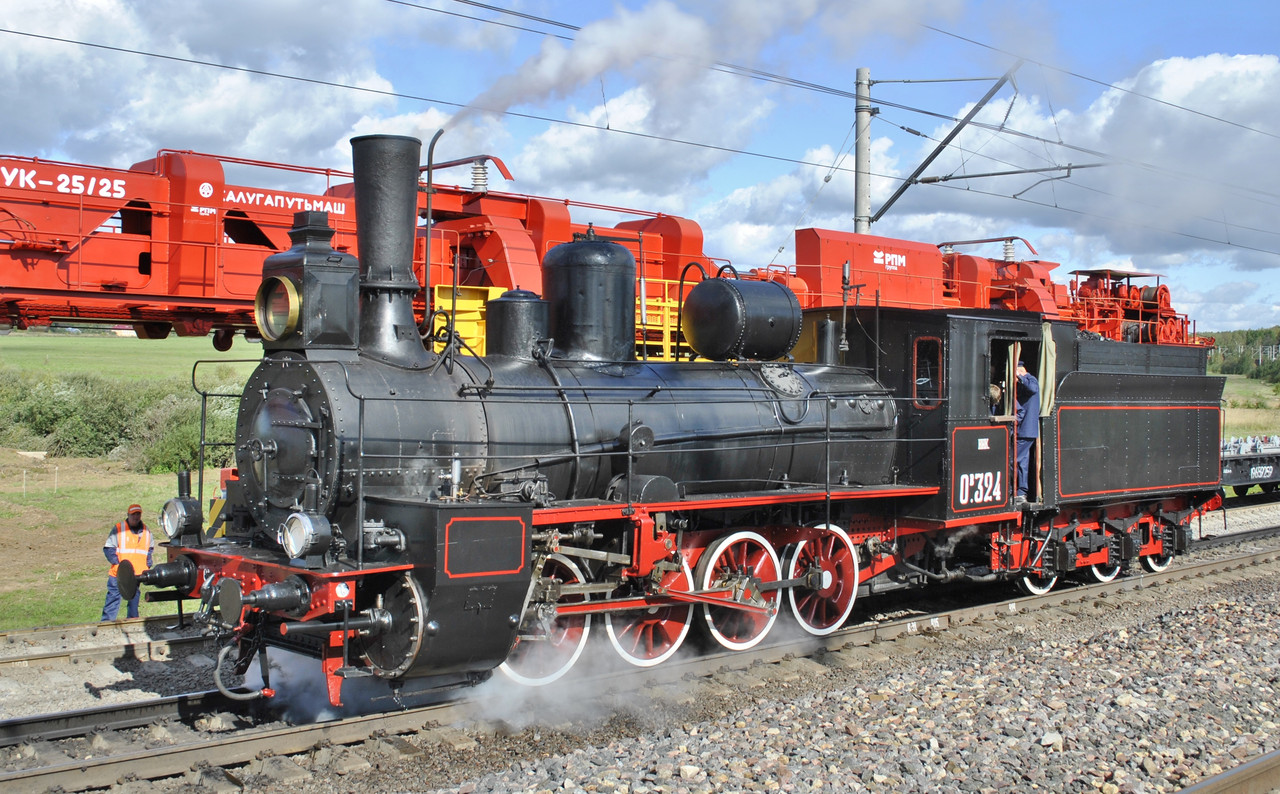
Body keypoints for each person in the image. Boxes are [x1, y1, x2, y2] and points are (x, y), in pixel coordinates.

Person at [100, 504, 154, 621]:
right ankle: (106, 625)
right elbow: (108, 548)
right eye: (133, 514)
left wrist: (147, 565)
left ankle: (133, 623)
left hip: (137, 575)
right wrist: (118, 565)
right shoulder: (119, 529)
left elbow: (149, 550)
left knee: (134, 601)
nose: (136, 517)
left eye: (138, 514)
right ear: (128, 515)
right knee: (113, 599)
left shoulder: (146, 531)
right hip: (118, 574)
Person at [1014, 361, 1040, 504]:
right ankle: (1021, 492)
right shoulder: (1023, 383)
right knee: (1022, 462)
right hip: (1023, 429)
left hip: (1026, 429)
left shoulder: (1031, 379)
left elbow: (1032, 389)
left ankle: (1016, 491)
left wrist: (1020, 377)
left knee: (1014, 459)